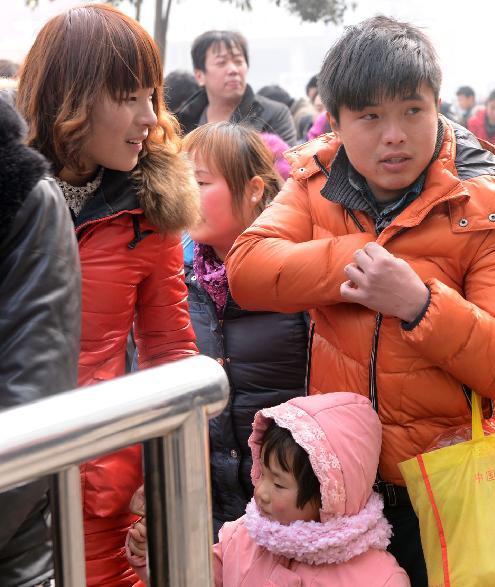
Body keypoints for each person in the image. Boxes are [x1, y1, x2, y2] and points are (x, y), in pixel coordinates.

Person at [225, 16, 495, 585]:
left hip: (451, 487)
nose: (394, 135)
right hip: (340, 487)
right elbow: (248, 270)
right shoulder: (316, 181)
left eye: (411, 111)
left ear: (437, 104)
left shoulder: (491, 200)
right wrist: (359, 254)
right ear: (338, 121)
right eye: (370, 117)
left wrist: (421, 303)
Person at [16, 5, 200, 584]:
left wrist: (162, 477)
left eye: (153, 96)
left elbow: (170, 350)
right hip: (11, 472)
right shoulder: (11, 201)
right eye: (129, 97)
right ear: (70, 98)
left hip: (99, 486)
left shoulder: (149, 210)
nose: (150, 117)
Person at [126, 394, 410, 586]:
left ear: (328, 496)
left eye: (278, 483)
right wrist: (157, 554)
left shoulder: (378, 578)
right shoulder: (242, 537)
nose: (260, 491)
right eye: (262, 473)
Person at [181, 122, 308, 537]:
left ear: (254, 189)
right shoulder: (175, 278)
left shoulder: (293, 269)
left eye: (199, 182)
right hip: (206, 509)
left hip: (292, 509)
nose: (186, 194)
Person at [0, 96, 81, 587]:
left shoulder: (22, 192)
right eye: (128, 97)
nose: (149, 117)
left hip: (22, 525)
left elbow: (34, 388)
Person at [176, 30, 297, 145]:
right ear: (199, 76)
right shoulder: (183, 123)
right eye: (221, 63)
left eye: (238, 61)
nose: (233, 70)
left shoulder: (274, 115)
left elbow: (286, 164)